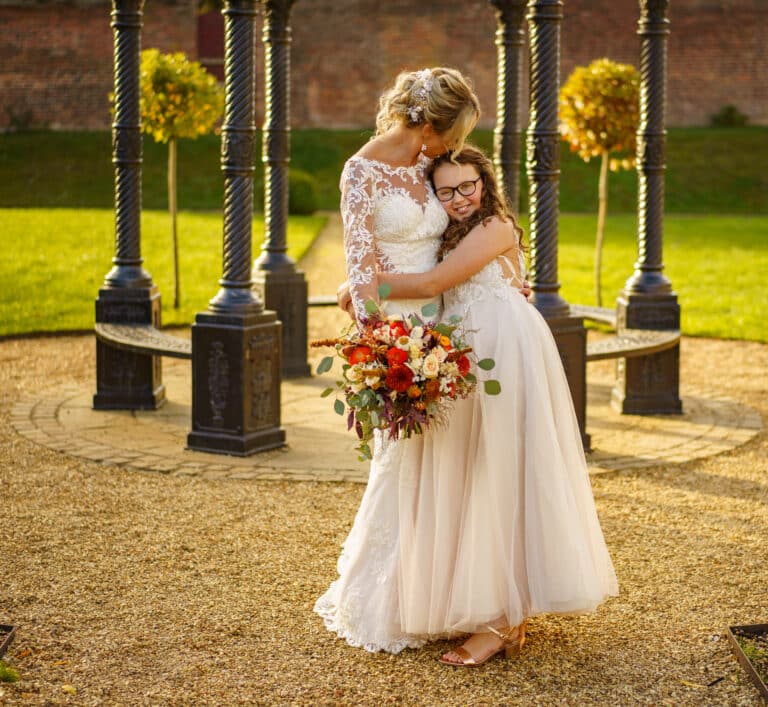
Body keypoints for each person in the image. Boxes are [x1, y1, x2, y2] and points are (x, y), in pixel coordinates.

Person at [369, 144, 619, 666]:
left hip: (504, 349)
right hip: (466, 351)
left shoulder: (495, 226)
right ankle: (499, 608)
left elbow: (436, 282)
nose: (460, 198)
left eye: (468, 186)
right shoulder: (452, 231)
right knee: (472, 472)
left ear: (485, 183)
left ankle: (501, 621)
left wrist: (369, 287)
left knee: (503, 470)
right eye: (447, 191)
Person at [313, 67, 483, 654]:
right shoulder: (360, 171)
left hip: (449, 325)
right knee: (403, 462)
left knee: (450, 462)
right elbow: (362, 276)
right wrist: (380, 354)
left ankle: (444, 593)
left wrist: (500, 276)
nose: (453, 147)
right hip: (400, 339)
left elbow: (455, 234)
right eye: (453, 133)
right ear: (433, 123)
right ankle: (394, 602)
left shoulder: (427, 167)